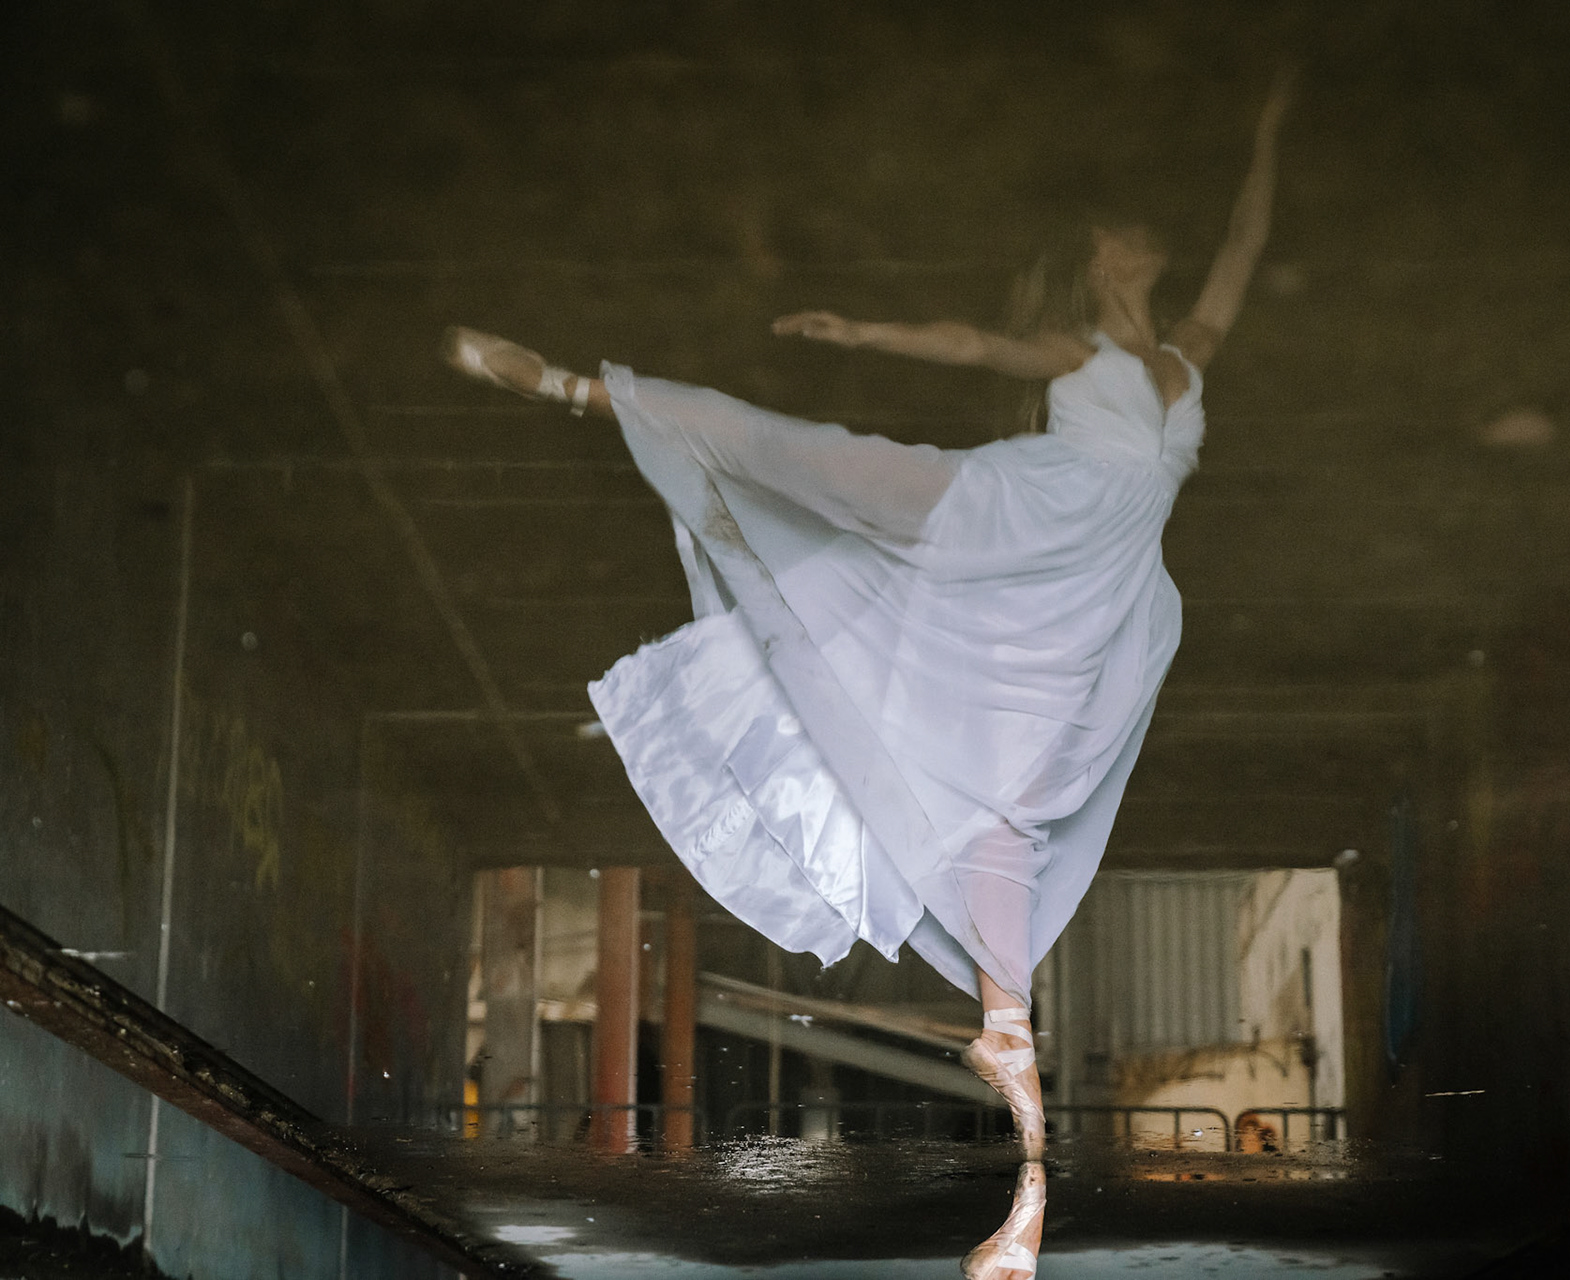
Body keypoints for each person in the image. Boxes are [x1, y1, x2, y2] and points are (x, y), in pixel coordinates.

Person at [445, 73, 1289, 1280]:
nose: (1149, 239)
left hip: (1103, 591)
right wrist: (862, 333)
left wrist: (1267, 131)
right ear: (1098, 256)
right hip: (1024, 511)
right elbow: (973, 343)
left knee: (1007, 808)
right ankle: (580, 386)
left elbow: (1246, 250)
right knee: (835, 467)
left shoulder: (1186, 351)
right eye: (1125, 228)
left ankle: (1018, 1119)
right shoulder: (1082, 349)